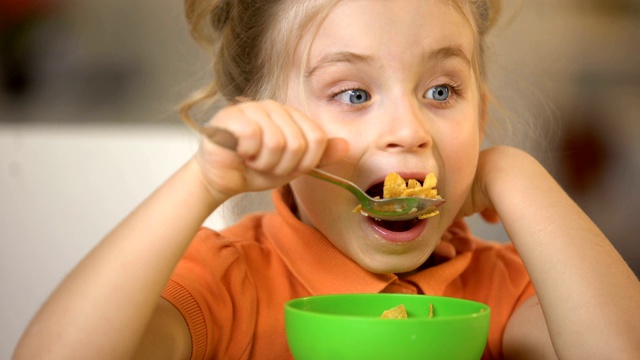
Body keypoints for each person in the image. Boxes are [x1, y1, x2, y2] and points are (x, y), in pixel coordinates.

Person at [13, 0, 640, 359]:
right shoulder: (230, 282)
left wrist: (518, 173)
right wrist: (200, 182)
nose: (409, 129)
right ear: (267, 114)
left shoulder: (506, 290)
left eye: (442, 90)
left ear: (480, 110)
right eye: (354, 92)